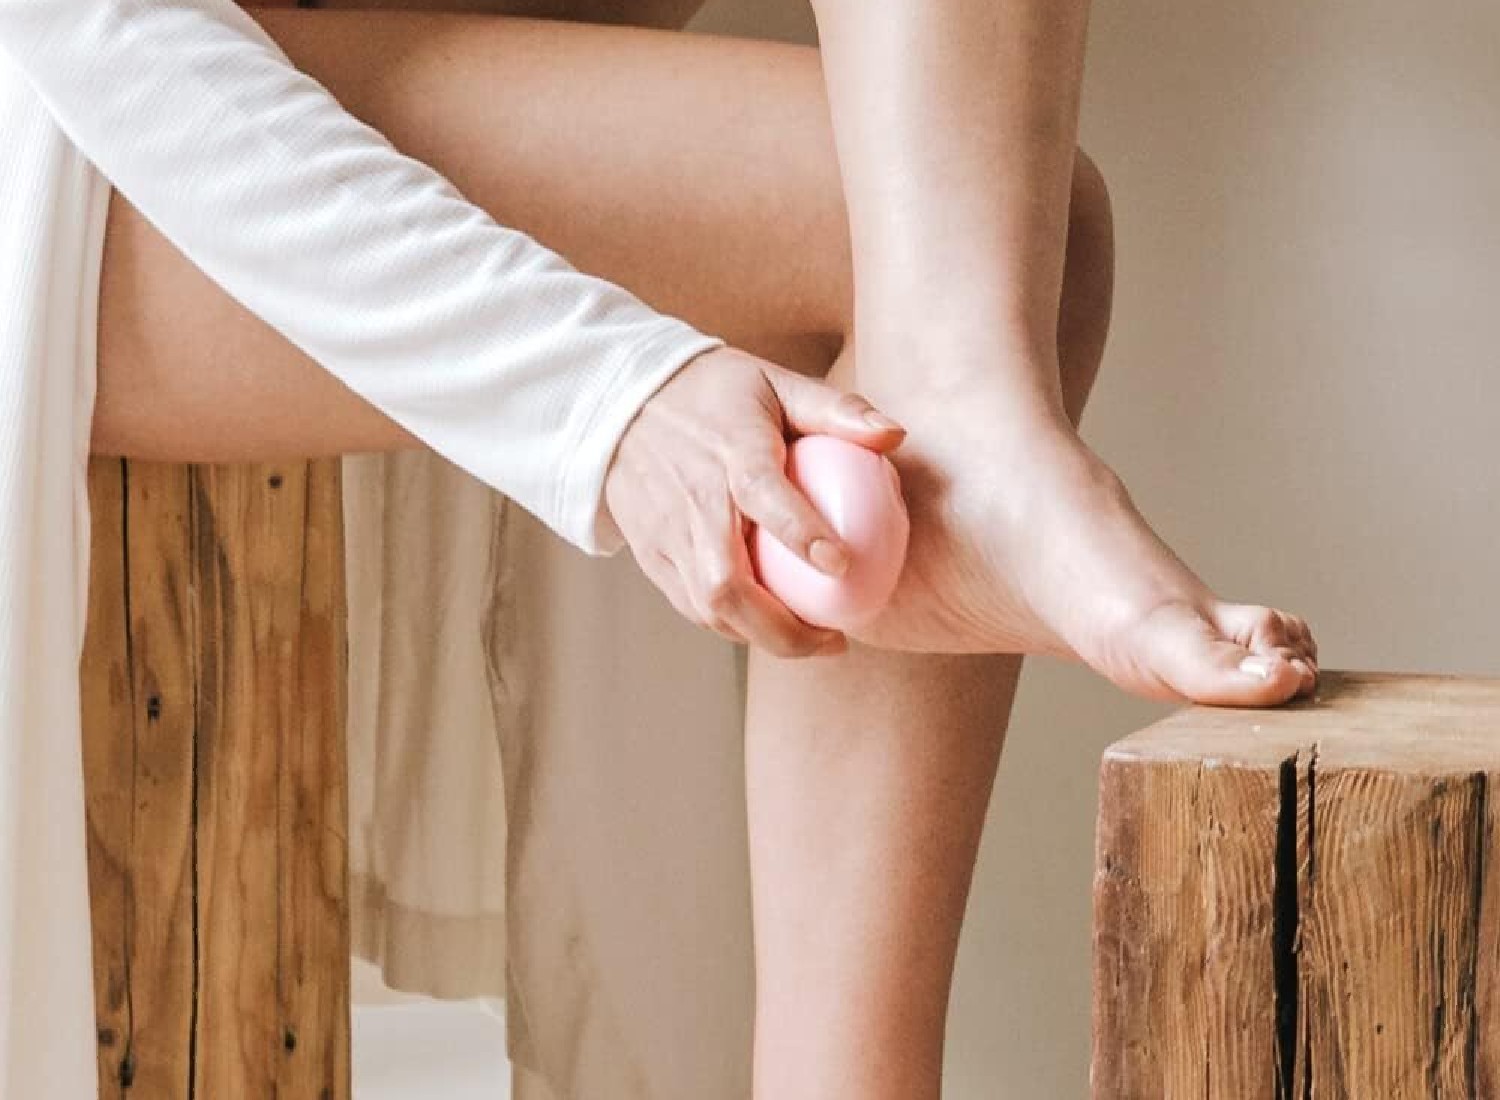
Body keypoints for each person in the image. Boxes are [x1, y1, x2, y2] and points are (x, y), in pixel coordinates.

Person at [0, 0, 1318, 1096]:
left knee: (964, 230)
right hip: (90, 89)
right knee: (942, 224)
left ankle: (973, 406)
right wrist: (604, 395)